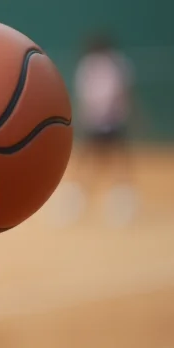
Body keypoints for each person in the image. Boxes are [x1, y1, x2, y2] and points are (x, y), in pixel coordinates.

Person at [60, 31, 139, 226]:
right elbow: (86, 97)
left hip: (111, 121)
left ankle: (122, 202)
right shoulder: (90, 66)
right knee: (88, 159)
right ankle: (74, 201)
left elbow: (121, 93)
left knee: (118, 161)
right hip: (96, 122)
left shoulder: (115, 64)